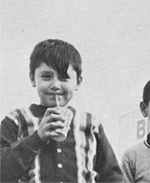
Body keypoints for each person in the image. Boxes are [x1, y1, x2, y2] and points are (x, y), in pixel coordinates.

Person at [0, 39, 122, 182]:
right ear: (33, 79)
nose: (55, 85)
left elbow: (113, 176)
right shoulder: (16, 120)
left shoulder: (90, 124)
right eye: (46, 77)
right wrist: (37, 137)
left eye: (64, 78)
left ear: (78, 82)